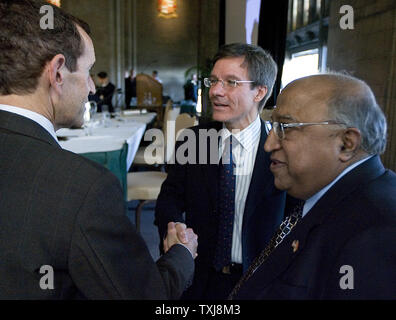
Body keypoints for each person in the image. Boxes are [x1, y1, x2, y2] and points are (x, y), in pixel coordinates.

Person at [0, 0, 197, 299]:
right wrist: (182, 255)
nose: (92, 87)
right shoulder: (83, 188)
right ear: (57, 73)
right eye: (88, 71)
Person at [230, 73, 396, 300]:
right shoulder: (320, 199)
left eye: (286, 128)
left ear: (346, 143)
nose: (269, 144)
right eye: (272, 126)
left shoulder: (377, 232)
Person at [155, 43, 286, 299]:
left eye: (231, 82)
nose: (215, 91)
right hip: (198, 281)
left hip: (260, 285)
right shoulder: (194, 140)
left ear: (259, 91)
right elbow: (169, 199)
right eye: (213, 81)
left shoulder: (281, 149)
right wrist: (176, 235)